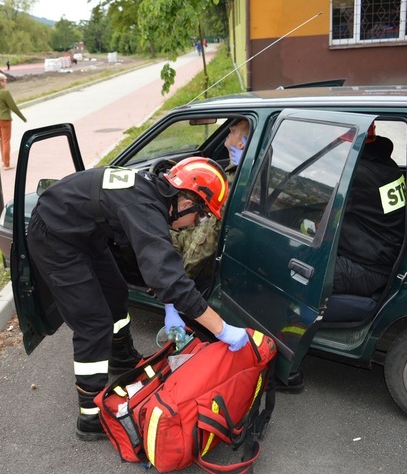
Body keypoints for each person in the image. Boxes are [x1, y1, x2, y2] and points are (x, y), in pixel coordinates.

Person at [26, 158, 251, 441]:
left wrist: (171, 305)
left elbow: (161, 258)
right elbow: (167, 277)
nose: (197, 222)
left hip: (84, 233)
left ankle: (120, 357)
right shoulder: (144, 207)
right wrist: (222, 329)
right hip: (55, 236)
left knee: (115, 292)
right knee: (93, 322)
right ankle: (90, 415)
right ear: (185, 203)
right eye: (201, 215)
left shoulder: (154, 194)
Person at [171, 119, 250, 280]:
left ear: (241, 145)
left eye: (236, 130)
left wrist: (176, 282)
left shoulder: (235, 184)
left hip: (200, 247)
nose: (231, 126)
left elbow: (207, 239)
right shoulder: (237, 174)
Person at [333, 123, 406, 297]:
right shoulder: (386, 164)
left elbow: (322, 203)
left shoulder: (357, 173)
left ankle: (294, 320)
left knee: (296, 268)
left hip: (366, 267)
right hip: (385, 253)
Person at [0, 73, 27, 170]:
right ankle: (7, 164)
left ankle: (3, 160)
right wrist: (23, 117)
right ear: (1, 82)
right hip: (4, 119)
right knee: (6, 141)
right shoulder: (4, 92)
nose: (6, 83)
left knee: (1, 140)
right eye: (5, 81)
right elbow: (13, 106)